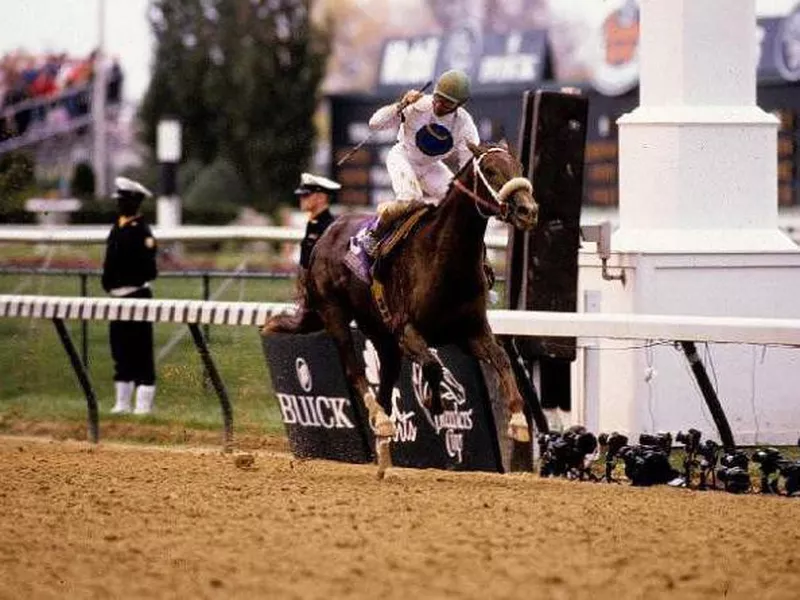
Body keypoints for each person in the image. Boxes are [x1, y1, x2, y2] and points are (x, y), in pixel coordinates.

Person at [362, 69, 480, 255]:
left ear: (460, 104)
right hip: (404, 156)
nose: (439, 104)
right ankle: (373, 233)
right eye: (438, 97)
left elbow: (468, 165)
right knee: (411, 199)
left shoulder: (464, 125)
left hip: (432, 167)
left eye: (447, 102)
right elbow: (375, 124)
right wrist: (400, 105)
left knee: (460, 203)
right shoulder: (417, 105)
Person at [102, 177, 158, 415]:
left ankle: (142, 406)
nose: (120, 205)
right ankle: (122, 403)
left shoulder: (141, 231)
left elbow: (149, 269)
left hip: (136, 295)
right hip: (117, 298)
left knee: (140, 350)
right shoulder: (118, 226)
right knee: (120, 349)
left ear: (135, 202)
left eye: (125, 201)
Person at [294, 172, 341, 270]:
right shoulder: (313, 223)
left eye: (306, 195)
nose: (301, 199)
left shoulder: (330, 228)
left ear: (321, 198)